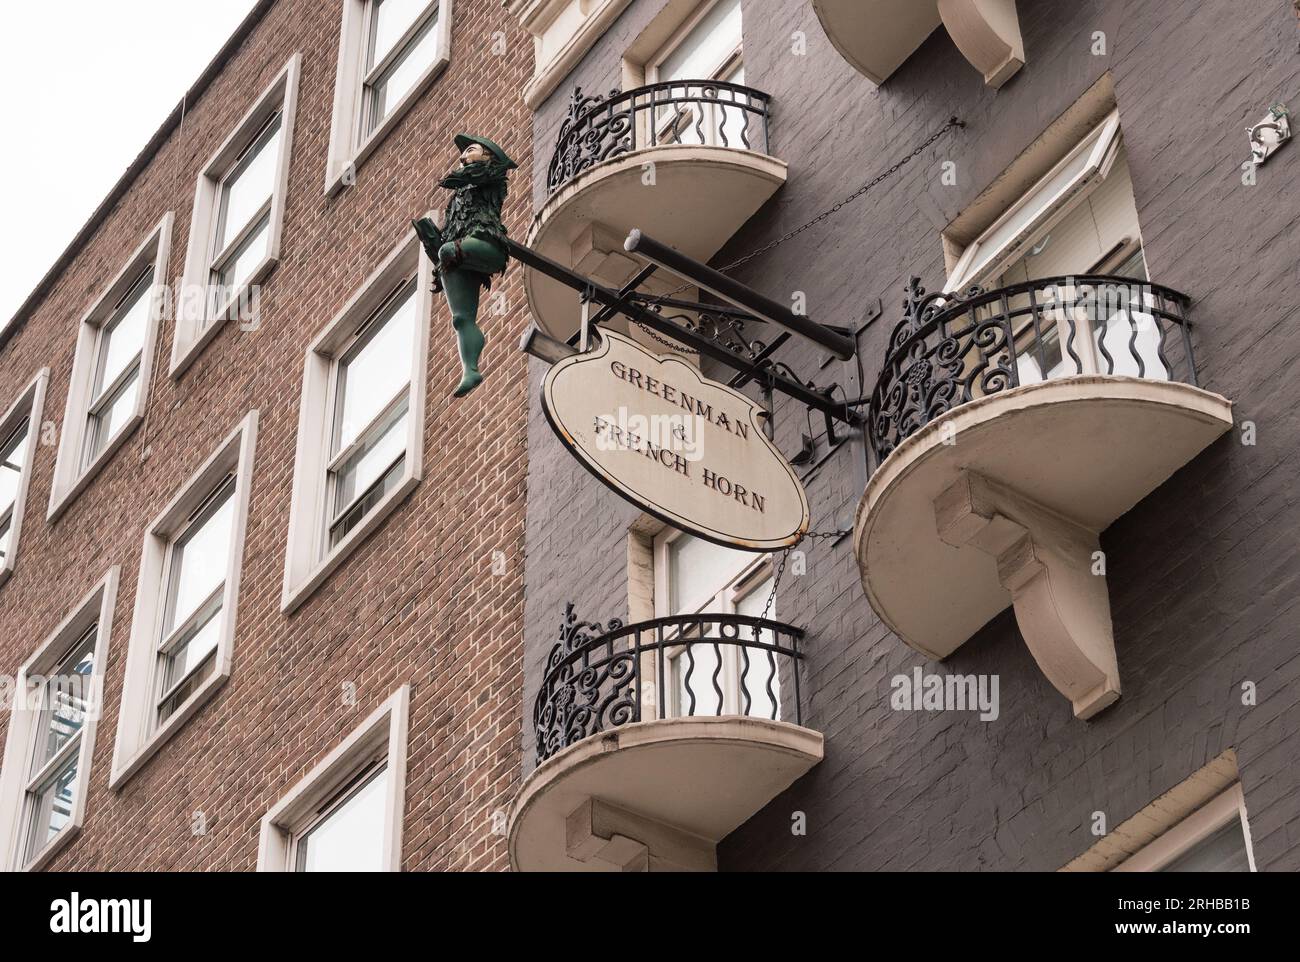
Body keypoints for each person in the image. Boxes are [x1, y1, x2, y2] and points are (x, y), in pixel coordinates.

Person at [413, 134, 517, 398]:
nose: (462, 156)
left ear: (488, 156)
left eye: (470, 150)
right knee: (461, 319)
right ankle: (470, 369)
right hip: (457, 255)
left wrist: (460, 175)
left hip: (486, 242)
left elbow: (480, 174)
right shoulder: (458, 195)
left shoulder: (493, 176)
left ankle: (449, 252)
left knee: (448, 251)